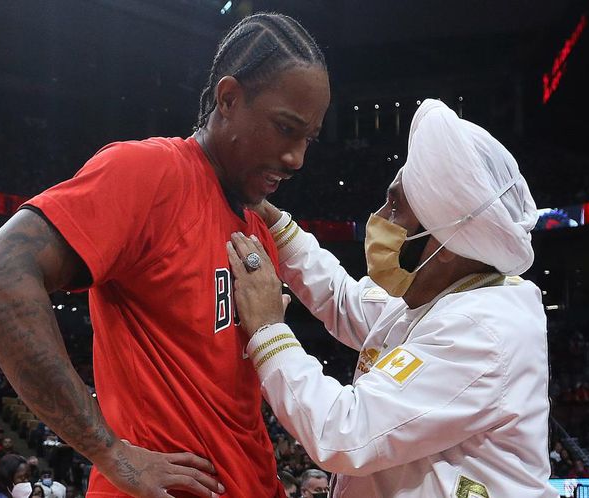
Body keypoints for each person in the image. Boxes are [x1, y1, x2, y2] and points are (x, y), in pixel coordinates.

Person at [0, 11, 330, 498]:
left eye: (308, 140)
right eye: (286, 129)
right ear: (229, 98)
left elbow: (233, 411)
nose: (297, 158)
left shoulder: (256, 227)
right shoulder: (150, 171)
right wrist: (110, 452)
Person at [226, 99, 557, 497]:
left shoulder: (483, 331)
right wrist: (274, 221)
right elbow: (342, 298)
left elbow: (344, 432)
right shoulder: (438, 298)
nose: (380, 215)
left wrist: (267, 329)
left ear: (446, 241)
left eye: (396, 205)